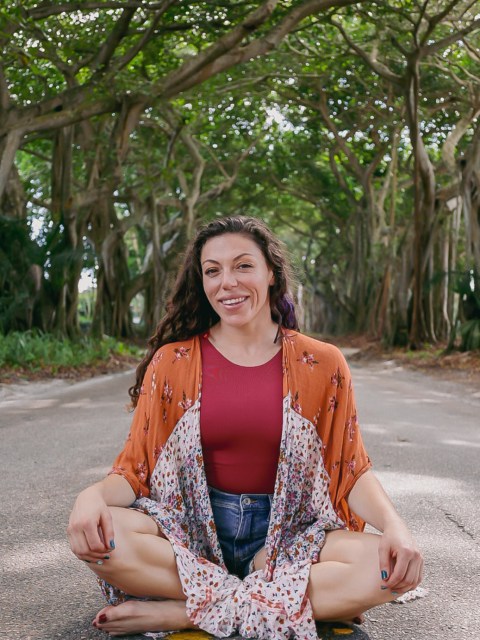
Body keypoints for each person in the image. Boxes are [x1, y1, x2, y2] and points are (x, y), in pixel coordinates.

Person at [67, 215, 423, 638]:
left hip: (289, 539)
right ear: (201, 282)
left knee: (389, 570)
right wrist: (90, 497)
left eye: (243, 266)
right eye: (212, 271)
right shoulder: (172, 362)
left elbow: (349, 471)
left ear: (271, 273)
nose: (227, 282)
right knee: (100, 539)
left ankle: (187, 611)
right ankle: (282, 604)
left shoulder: (322, 362)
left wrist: (397, 527)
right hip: (189, 533)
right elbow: (134, 471)